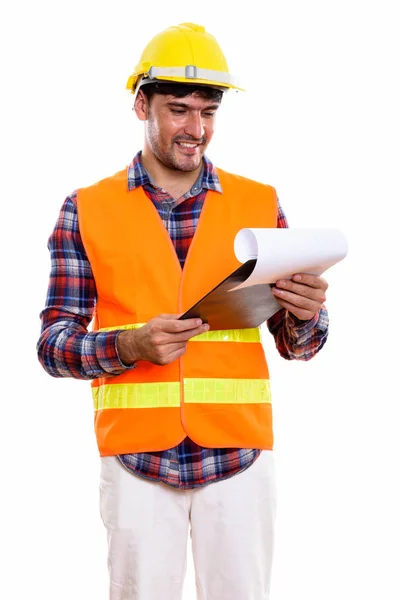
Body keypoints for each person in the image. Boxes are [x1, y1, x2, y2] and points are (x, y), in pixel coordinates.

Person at [37, 22, 329, 600]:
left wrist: (306, 313)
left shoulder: (258, 203)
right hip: (136, 461)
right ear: (141, 103)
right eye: (179, 110)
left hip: (238, 459)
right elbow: (52, 345)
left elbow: (301, 345)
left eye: (209, 112)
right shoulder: (86, 209)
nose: (197, 130)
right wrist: (126, 346)